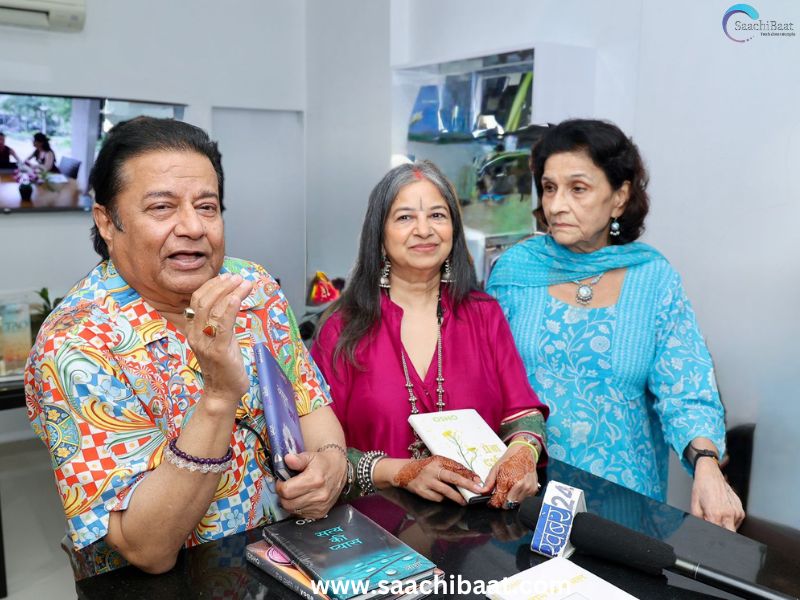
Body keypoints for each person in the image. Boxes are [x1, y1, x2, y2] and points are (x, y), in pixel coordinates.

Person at [25, 117, 348, 578]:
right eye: (162, 207)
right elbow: (148, 548)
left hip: (288, 558)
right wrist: (218, 396)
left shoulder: (252, 288)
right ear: (107, 222)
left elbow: (308, 401)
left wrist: (331, 462)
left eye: (208, 207)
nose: (193, 227)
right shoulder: (76, 345)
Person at [486, 119, 745, 530]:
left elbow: (686, 388)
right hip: (524, 495)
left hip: (624, 505)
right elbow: (483, 377)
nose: (555, 205)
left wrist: (707, 467)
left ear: (620, 197)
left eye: (578, 188)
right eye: (549, 188)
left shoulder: (652, 279)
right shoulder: (515, 273)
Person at [311, 160, 548, 510]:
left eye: (437, 216)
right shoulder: (342, 330)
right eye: (405, 217)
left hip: (478, 534)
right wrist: (399, 471)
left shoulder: (484, 315)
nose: (424, 230)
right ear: (379, 235)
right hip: (374, 535)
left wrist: (523, 451)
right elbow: (315, 451)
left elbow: (522, 413)